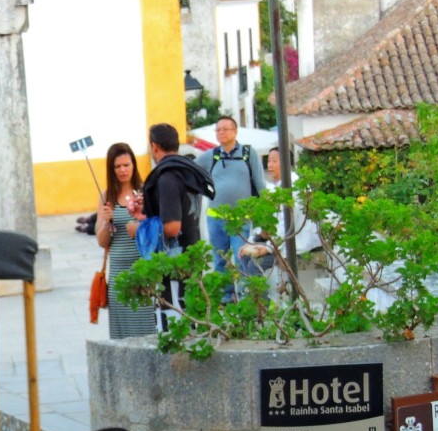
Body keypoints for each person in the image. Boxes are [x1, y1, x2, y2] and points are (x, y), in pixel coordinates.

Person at [126, 124, 214, 323]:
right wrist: (145, 213)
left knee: (177, 328)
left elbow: (173, 227)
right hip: (194, 258)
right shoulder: (188, 171)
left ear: (154, 146)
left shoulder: (167, 177)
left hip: (175, 268)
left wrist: (139, 228)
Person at [196, 116, 266, 293]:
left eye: (225, 129)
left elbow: (259, 183)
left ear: (235, 131)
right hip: (216, 219)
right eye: (218, 129)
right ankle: (226, 298)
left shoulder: (248, 154)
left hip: (241, 220)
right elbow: (191, 170)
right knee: (220, 260)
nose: (221, 133)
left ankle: (245, 296)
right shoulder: (210, 156)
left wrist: (265, 212)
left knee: (242, 257)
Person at [94, 143, 153, 339]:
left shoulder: (145, 192)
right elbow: (102, 242)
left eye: (126, 165)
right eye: (117, 166)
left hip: (143, 269)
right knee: (123, 333)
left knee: (146, 328)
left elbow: (156, 230)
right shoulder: (106, 197)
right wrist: (106, 222)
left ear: (134, 165)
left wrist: (141, 224)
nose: (123, 170)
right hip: (118, 271)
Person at [237, 147, 320, 278]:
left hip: (296, 242)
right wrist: (252, 241)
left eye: (274, 161)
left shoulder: (294, 186)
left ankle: (260, 298)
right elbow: (265, 222)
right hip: (278, 240)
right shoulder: (275, 187)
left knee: (255, 265)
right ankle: (252, 295)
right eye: (268, 161)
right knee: (245, 258)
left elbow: (288, 223)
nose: (269, 165)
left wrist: (268, 248)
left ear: (286, 162)